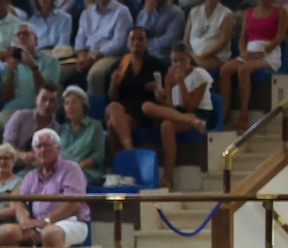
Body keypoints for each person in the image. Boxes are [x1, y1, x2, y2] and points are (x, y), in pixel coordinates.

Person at [0, 126, 90, 247]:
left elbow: (73, 204)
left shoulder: (71, 169)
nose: (42, 150)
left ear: (58, 149)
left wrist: (46, 221)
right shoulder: (31, 176)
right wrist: (25, 224)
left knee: (50, 233)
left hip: (69, 221)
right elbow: (19, 202)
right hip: (38, 224)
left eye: (47, 145)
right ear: (34, 151)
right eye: (38, 146)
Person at [142, 42, 212, 182]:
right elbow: (171, 107)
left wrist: (181, 83)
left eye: (182, 60)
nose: (178, 65)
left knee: (166, 126)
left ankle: (168, 176)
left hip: (198, 113)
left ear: (189, 59)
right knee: (147, 106)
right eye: (175, 61)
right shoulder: (170, 75)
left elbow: (190, 107)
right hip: (181, 115)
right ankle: (191, 121)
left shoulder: (200, 74)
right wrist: (165, 88)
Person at [220, 0, 286, 132]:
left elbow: (280, 36)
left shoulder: (280, 11)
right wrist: (243, 52)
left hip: (268, 53)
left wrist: (264, 51)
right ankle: (225, 112)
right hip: (250, 52)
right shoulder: (248, 13)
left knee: (243, 70)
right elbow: (243, 36)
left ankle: (243, 114)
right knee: (225, 69)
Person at [104, 27, 167, 156]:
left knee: (112, 125)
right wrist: (114, 83)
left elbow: (164, 95)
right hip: (121, 107)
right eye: (132, 39)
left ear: (147, 42)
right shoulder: (120, 64)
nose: (136, 42)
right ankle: (130, 150)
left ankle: (120, 165)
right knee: (113, 107)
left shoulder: (156, 64)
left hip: (142, 110)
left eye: (140, 39)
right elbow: (112, 96)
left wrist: (155, 88)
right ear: (127, 42)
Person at [0, 23, 60, 129]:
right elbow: (5, 98)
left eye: (26, 34)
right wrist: (11, 74)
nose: (22, 37)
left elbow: (48, 91)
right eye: (18, 35)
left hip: (37, 110)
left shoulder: (50, 61)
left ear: (35, 40)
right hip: (11, 110)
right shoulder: (9, 64)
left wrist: (33, 66)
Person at [71, 0, 133, 95]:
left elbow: (118, 44)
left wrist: (93, 57)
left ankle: (95, 108)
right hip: (87, 53)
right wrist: (81, 56)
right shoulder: (86, 13)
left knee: (95, 74)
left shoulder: (122, 12)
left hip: (109, 55)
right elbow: (80, 39)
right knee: (58, 70)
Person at [57, 84, 105, 185]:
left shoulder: (95, 126)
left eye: (74, 102)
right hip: (62, 171)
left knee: (67, 180)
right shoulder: (61, 129)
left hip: (86, 171)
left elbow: (99, 155)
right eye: (66, 103)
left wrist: (78, 166)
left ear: (83, 105)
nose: (69, 106)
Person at [4, 84, 59, 169]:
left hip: (33, 170)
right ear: (36, 99)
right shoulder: (20, 116)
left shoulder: (56, 129)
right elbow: (6, 145)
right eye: (43, 99)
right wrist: (22, 155)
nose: (47, 104)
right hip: (6, 165)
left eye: (52, 101)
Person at [184, 0, 235, 72]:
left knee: (192, 69)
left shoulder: (227, 14)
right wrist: (189, 55)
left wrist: (203, 56)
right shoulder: (194, 11)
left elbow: (223, 42)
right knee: (178, 67)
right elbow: (185, 39)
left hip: (214, 57)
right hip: (193, 55)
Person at [138, 0, 185, 66]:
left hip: (162, 54)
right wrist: (148, 14)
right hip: (142, 52)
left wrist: (148, 42)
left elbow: (170, 40)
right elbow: (138, 34)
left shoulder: (176, 13)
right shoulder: (143, 12)